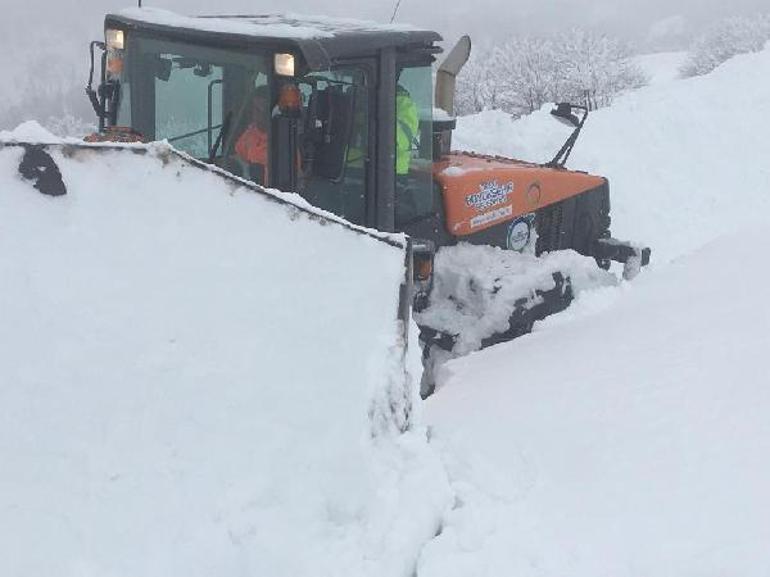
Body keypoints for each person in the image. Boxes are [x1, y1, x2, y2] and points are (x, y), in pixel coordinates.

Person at [235, 85, 270, 184]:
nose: (258, 114)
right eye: (255, 109)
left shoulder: (285, 141)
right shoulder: (249, 134)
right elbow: (238, 159)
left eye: (262, 110)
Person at [396, 84, 419, 176]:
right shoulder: (355, 98)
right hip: (353, 168)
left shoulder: (404, 105)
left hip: (391, 172)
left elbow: (402, 141)